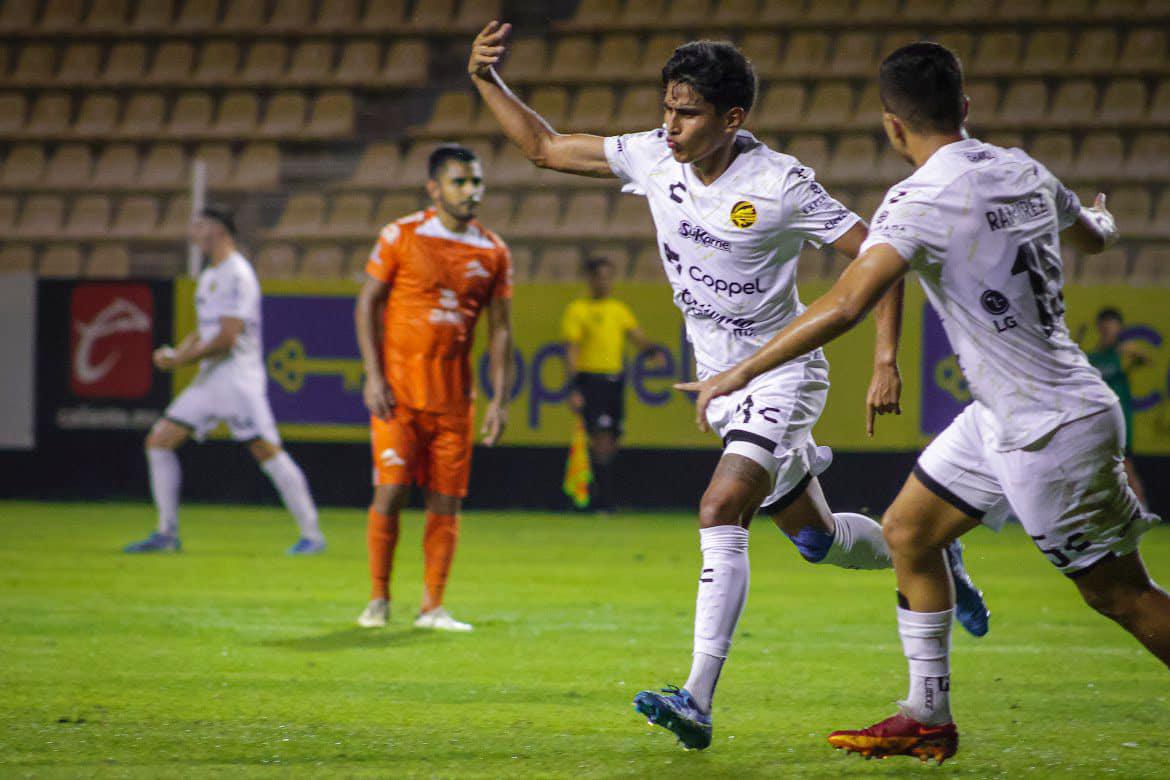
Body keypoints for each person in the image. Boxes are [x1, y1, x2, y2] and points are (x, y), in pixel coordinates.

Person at [468, 22, 989, 750]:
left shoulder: (778, 183)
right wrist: (488, 82)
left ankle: (696, 698)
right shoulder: (654, 156)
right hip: (721, 384)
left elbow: (875, 250)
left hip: (783, 371)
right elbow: (545, 148)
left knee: (720, 507)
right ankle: (935, 554)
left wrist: (882, 360)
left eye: (686, 113)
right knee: (819, 539)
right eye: (666, 107)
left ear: (732, 118)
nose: (668, 125)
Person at [680, 42, 1166, 764]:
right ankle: (926, 712)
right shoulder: (1023, 168)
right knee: (910, 530)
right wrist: (1102, 216)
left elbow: (847, 303)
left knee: (1119, 595)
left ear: (891, 127)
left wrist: (735, 372)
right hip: (1008, 412)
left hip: (1050, 427)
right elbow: (1092, 236)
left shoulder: (917, 200)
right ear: (963, 109)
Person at [354, 144, 513, 633]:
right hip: (398, 394)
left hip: (454, 399)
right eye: (460, 182)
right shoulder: (400, 235)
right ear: (434, 188)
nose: (471, 191)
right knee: (392, 491)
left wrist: (499, 400)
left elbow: (501, 328)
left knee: (446, 500)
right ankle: (378, 599)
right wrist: (374, 375)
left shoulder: (492, 250)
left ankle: (432, 607)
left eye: (476, 182)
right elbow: (367, 305)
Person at [125, 205, 325, 555]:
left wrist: (180, 360)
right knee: (159, 441)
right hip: (211, 378)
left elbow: (227, 338)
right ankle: (166, 533)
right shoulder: (210, 275)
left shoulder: (238, 275)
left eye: (199, 225)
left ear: (219, 230)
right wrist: (177, 353)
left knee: (267, 452)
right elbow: (205, 332)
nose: (193, 231)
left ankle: (312, 534)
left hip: (238, 379)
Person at [563, 255, 662, 512]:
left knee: (613, 439)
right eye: (600, 277)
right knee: (600, 439)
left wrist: (651, 351)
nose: (605, 282)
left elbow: (635, 335)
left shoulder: (618, 310)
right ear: (591, 279)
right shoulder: (579, 310)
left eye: (609, 277)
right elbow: (572, 350)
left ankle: (602, 496)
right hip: (591, 380)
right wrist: (574, 387)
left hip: (614, 381)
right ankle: (601, 500)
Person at [1087, 307, 1148, 508]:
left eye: (1112, 325)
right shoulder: (1094, 358)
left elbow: (1145, 357)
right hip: (1098, 422)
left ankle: (1141, 508)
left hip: (1120, 421)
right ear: (1099, 327)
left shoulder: (1122, 353)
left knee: (1126, 466)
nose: (1108, 329)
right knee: (1095, 471)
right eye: (1105, 325)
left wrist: (1126, 350)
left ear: (1119, 327)